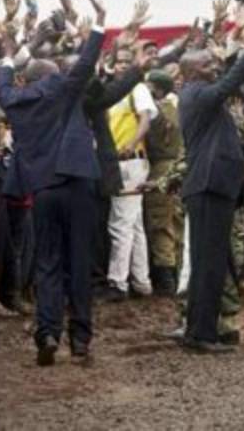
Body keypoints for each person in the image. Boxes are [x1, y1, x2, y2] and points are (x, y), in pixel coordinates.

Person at [0, 0, 106, 367]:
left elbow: (4, 78)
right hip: (76, 180)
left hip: (42, 188)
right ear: (54, 76)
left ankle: (47, 333)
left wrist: (10, 51)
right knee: (79, 260)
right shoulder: (62, 88)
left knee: (47, 262)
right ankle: (80, 340)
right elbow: (87, 63)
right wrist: (99, 22)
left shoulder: (14, 98)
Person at [178, 13, 244, 354]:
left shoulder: (198, 91)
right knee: (209, 263)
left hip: (212, 186)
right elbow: (232, 81)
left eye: (214, 63)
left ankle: (200, 330)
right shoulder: (198, 95)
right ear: (189, 73)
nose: (214, 67)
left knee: (211, 262)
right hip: (208, 185)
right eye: (206, 65)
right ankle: (200, 334)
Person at [105, 46, 158, 300]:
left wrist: (131, 144)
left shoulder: (136, 89)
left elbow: (146, 120)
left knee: (120, 224)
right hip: (121, 162)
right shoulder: (112, 92)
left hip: (130, 161)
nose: (122, 66)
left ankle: (118, 282)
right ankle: (141, 281)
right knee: (134, 224)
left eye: (127, 62)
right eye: (119, 62)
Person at [142, 70, 184, 296]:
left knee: (160, 222)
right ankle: (176, 272)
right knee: (177, 221)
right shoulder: (181, 107)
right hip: (180, 166)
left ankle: (166, 278)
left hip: (161, 167)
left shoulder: (156, 111)